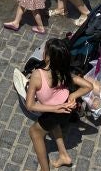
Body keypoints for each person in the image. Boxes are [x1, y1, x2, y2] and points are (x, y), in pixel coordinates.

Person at [25, 37, 94, 171]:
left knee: (35, 132)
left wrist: (55, 108)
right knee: (54, 126)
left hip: (56, 111)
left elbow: (30, 105)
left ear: (48, 58)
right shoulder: (64, 71)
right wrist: (72, 95)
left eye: (45, 50)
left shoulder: (37, 75)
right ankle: (64, 155)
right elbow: (88, 86)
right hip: (66, 109)